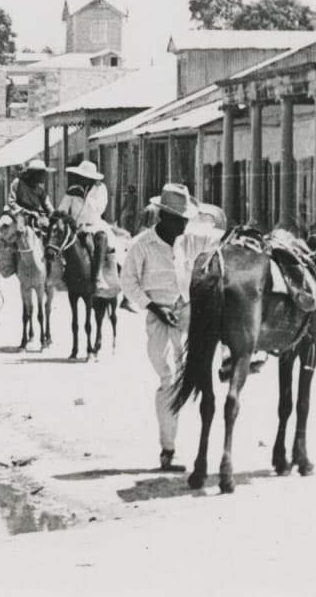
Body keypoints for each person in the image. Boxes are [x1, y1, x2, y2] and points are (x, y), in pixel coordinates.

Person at [118, 183, 222, 471]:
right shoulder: (142, 246)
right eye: (180, 219)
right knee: (169, 379)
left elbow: (219, 239)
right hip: (159, 319)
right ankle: (168, 450)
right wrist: (153, 306)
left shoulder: (189, 240)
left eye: (187, 219)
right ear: (164, 217)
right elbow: (128, 282)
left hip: (188, 314)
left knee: (206, 366)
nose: (185, 223)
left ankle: (226, 359)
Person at [59, 159, 113, 294]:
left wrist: (85, 198)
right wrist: (64, 217)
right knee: (57, 241)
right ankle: (61, 274)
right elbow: (63, 208)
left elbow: (100, 208)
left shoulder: (100, 189)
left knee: (102, 239)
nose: (82, 179)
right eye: (81, 177)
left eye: (85, 177)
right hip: (75, 226)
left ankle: (98, 276)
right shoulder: (73, 190)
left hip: (93, 225)